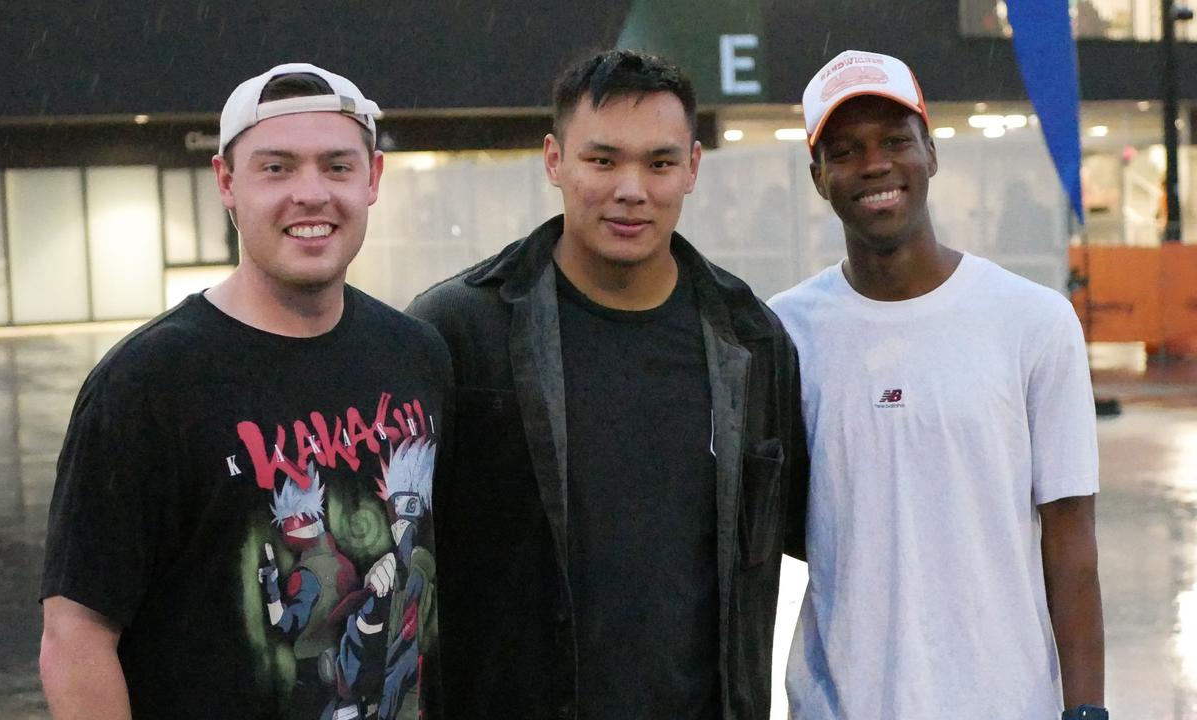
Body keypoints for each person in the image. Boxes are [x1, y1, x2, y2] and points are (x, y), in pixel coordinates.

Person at [39, 62, 452, 720]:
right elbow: (75, 639)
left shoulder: (416, 354)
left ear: (372, 179)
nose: (311, 194)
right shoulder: (148, 385)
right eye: (277, 168)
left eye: (337, 167)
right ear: (227, 184)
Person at [406, 49, 808, 720]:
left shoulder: (752, 341)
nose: (631, 189)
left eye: (658, 162)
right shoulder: (459, 331)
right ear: (554, 160)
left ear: (692, 169)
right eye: (602, 160)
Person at [768, 49, 1106, 719]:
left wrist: (1088, 710)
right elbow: (781, 525)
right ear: (818, 178)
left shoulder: (1033, 321)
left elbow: (1070, 539)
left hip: (1005, 703)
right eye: (846, 150)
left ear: (930, 151)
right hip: (840, 705)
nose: (875, 164)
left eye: (896, 141)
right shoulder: (782, 333)